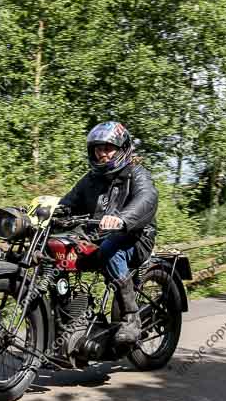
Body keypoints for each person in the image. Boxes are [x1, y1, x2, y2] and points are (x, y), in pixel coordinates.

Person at [58, 121, 159, 344]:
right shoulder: (90, 180)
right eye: (97, 149)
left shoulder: (136, 173)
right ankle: (64, 320)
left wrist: (122, 219)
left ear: (123, 149)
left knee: (112, 250)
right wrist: (52, 213)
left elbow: (147, 199)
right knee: (55, 251)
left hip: (136, 236)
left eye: (108, 148)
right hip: (97, 237)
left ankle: (131, 318)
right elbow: (68, 203)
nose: (102, 154)